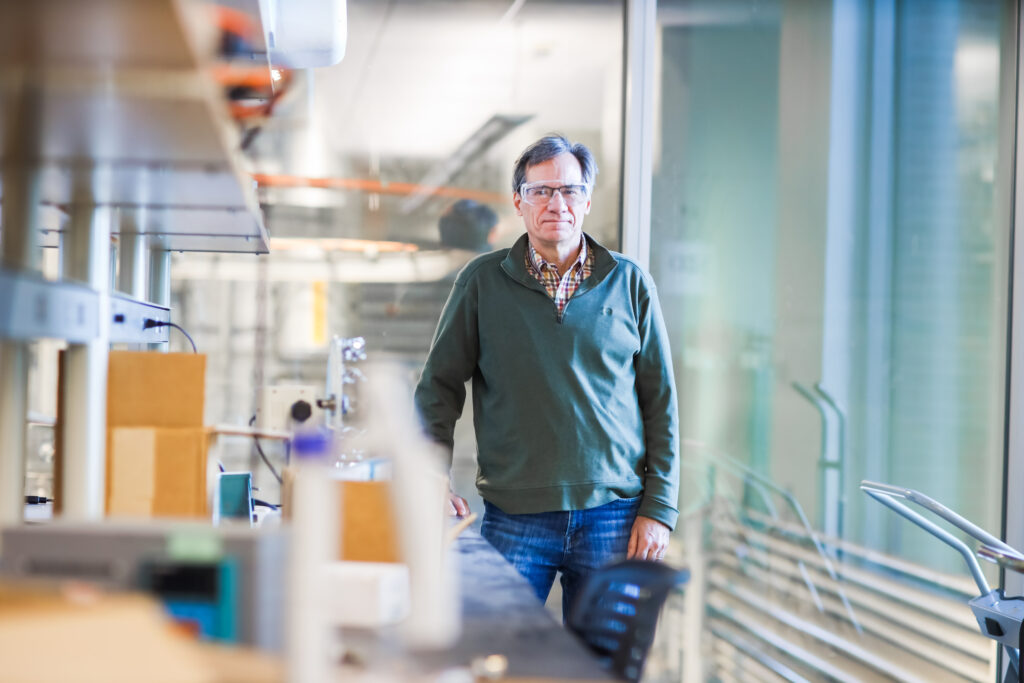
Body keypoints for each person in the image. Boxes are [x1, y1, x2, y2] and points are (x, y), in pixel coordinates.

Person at [414, 135, 679, 613]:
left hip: (614, 517)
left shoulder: (630, 282)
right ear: (518, 202)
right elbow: (438, 389)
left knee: (604, 667)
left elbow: (661, 404)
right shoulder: (481, 282)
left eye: (570, 190)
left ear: (587, 200)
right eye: (541, 191)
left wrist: (659, 509)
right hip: (516, 517)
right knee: (501, 658)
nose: (557, 202)